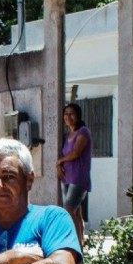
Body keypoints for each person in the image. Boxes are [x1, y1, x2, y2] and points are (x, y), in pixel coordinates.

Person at [55, 103, 92, 246]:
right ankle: (81, 244)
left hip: (79, 178)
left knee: (69, 210)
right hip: (66, 178)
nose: (68, 117)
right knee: (76, 213)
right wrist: (60, 166)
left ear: (78, 116)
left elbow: (76, 153)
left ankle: (75, 244)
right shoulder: (66, 135)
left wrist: (60, 161)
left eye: (71, 114)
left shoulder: (83, 132)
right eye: (66, 114)